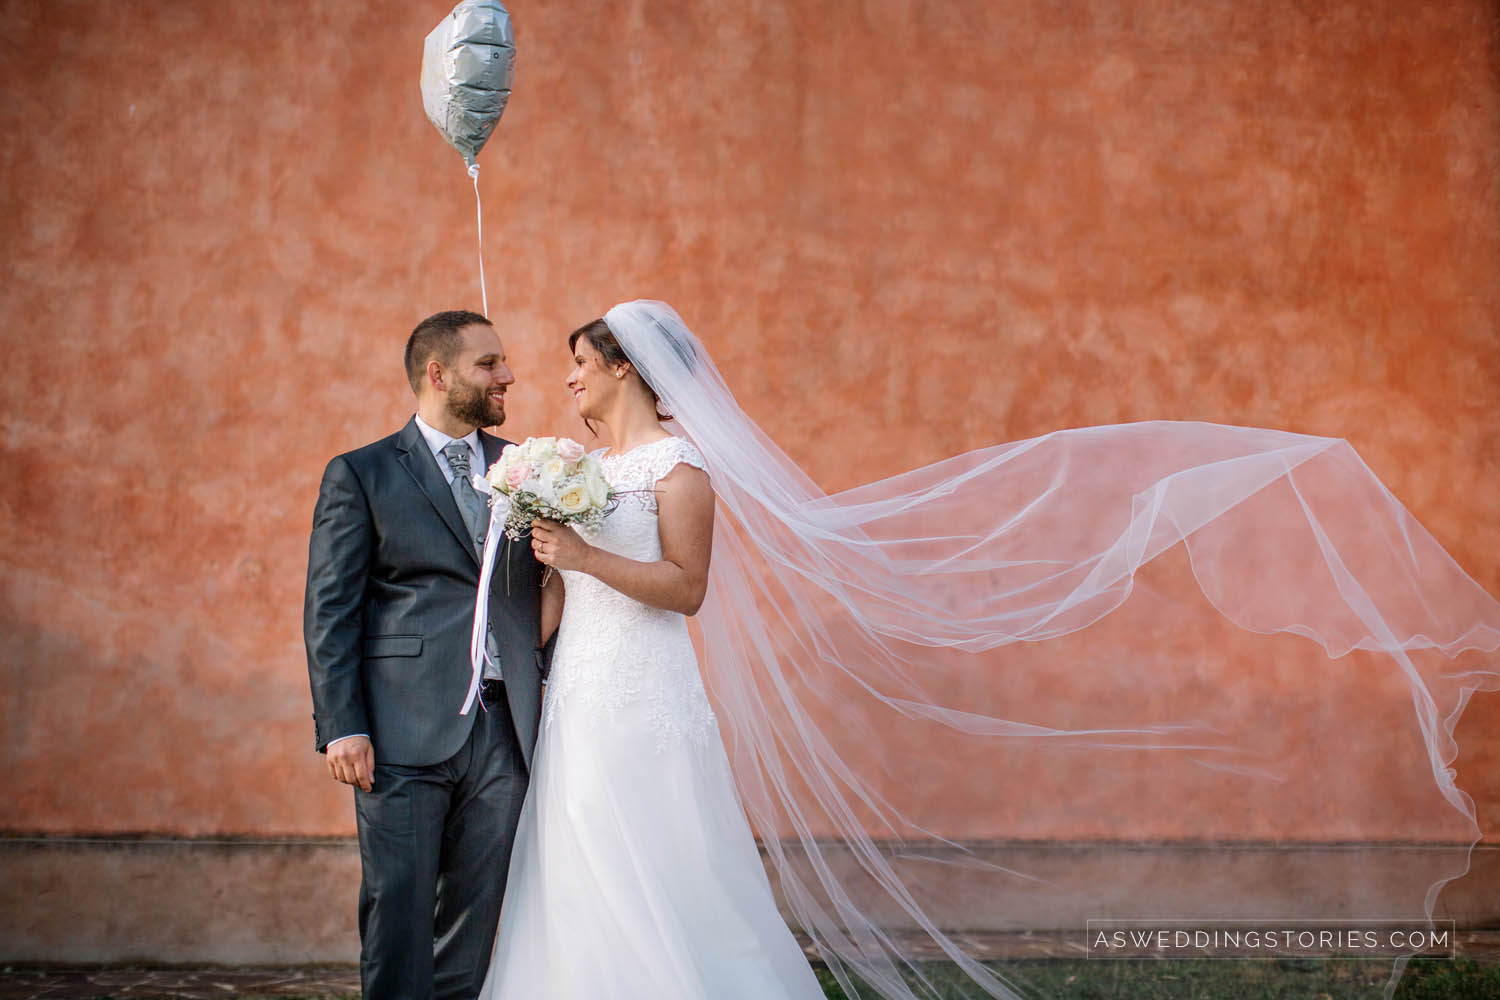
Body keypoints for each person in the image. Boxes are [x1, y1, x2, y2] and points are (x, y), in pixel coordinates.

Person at [480, 300, 1500, 1000]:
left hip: (648, 690)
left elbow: (686, 591)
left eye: (579, 360)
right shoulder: (571, 467)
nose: (565, 378)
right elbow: (566, 589)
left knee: (657, 848)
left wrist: (579, 551)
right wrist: (538, 594)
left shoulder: (679, 469)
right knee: (574, 842)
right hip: (581, 688)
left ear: (624, 367)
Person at [304, 310, 550, 1000]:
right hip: (400, 732)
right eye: (489, 363)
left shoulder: (526, 468)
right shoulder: (362, 473)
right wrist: (342, 724)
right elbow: (331, 609)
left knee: (475, 920)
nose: (508, 375)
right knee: (399, 911)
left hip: (504, 734)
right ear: (438, 376)